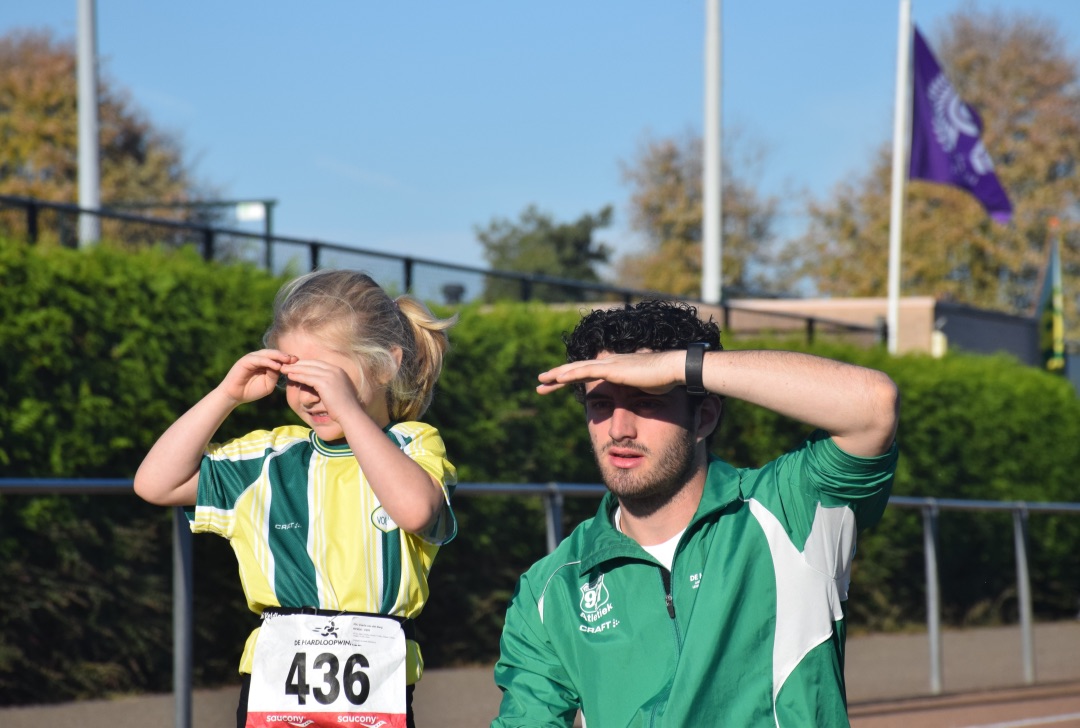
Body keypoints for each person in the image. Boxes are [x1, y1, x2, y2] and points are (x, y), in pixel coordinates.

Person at [491, 300, 900, 727]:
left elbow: (874, 405)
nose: (618, 429)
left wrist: (678, 367)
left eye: (647, 401)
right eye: (601, 404)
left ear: (704, 417)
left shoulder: (789, 507)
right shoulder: (551, 587)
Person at [134, 269, 458, 728]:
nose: (310, 396)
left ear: (386, 365)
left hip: (378, 692)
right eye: (295, 379)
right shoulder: (267, 458)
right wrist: (226, 395)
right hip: (273, 692)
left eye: (325, 376)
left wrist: (348, 408)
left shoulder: (413, 445)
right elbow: (155, 484)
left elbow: (415, 510)